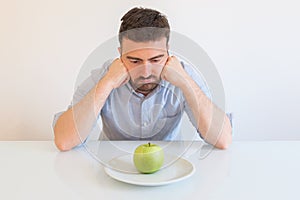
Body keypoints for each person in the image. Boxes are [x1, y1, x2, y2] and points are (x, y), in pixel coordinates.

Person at [53, 7, 232, 151]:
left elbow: (223, 140)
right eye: (134, 60)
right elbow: (64, 140)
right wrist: (107, 84)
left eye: (156, 60)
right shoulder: (104, 76)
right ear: (120, 55)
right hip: (112, 168)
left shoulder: (184, 74)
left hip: (168, 167)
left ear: (168, 52)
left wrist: (185, 82)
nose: (146, 72)